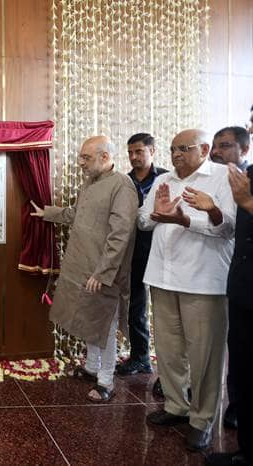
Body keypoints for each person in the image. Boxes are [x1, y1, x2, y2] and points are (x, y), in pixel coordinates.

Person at [140, 129, 236, 452]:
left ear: (205, 149)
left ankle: (202, 420)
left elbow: (229, 228)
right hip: (163, 277)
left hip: (203, 282)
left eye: (184, 148)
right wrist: (156, 214)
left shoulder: (223, 177)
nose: (176, 154)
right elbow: (143, 220)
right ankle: (175, 406)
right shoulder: (163, 180)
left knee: (205, 355)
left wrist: (187, 220)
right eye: (172, 149)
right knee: (168, 350)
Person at [31, 135, 138, 402]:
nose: (81, 163)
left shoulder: (122, 186)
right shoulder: (90, 182)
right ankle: (91, 367)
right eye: (81, 157)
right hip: (82, 266)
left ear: (105, 157)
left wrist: (103, 273)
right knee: (89, 319)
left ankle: (106, 381)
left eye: (86, 158)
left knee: (104, 325)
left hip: (104, 272)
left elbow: (120, 235)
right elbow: (76, 214)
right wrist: (48, 213)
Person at [206, 161, 253, 466]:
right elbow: (231, 230)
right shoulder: (247, 175)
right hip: (243, 288)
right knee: (243, 372)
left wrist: (249, 202)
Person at [209, 126, 250, 430]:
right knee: (238, 353)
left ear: (244, 150)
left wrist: (246, 202)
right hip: (237, 280)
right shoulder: (213, 178)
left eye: (225, 146)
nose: (217, 151)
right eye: (215, 145)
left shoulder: (244, 181)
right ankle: (236, 406)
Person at [116, 133, 167, 376]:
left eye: (139, 151)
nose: (134, 157)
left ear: (152, 151)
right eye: (130, 152)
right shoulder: (124, 182)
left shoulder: (166, 178)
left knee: (167, 310)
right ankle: (140, 357)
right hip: (134, 251)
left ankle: (169, 370)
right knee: (135, 306)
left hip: (163, 252)